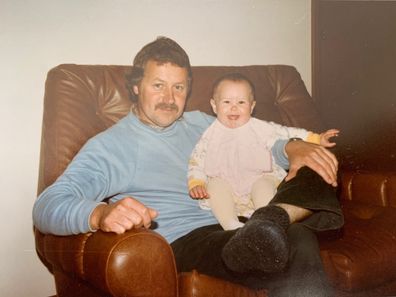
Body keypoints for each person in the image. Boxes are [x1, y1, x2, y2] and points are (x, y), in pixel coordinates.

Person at [33, 37, 343, 297]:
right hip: (190, 242)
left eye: (179, 88)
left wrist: (292, 147)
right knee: (298, 238)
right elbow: (47, 204)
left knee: (315, 162)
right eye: (158, 85)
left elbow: (254, 143)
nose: (169, 98)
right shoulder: (112, 146)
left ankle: (270, 220)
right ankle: (273, 221)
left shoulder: (200, 123)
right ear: (136, 87)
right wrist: (99, 214)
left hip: (242, 219)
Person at [188, 73, 339, 230]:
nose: (234, 107)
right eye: (226, 102)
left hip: (258, 177)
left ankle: (268, 223)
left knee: (263, 185)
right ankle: (230, 224)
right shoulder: (210, 134)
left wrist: (315, 138)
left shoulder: (261, 128)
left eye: (241, 102)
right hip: (227, 188)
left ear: (252, 106)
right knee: (214, 185)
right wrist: (196, 182)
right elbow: (197, 160)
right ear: (214, 105)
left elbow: (287, 132)